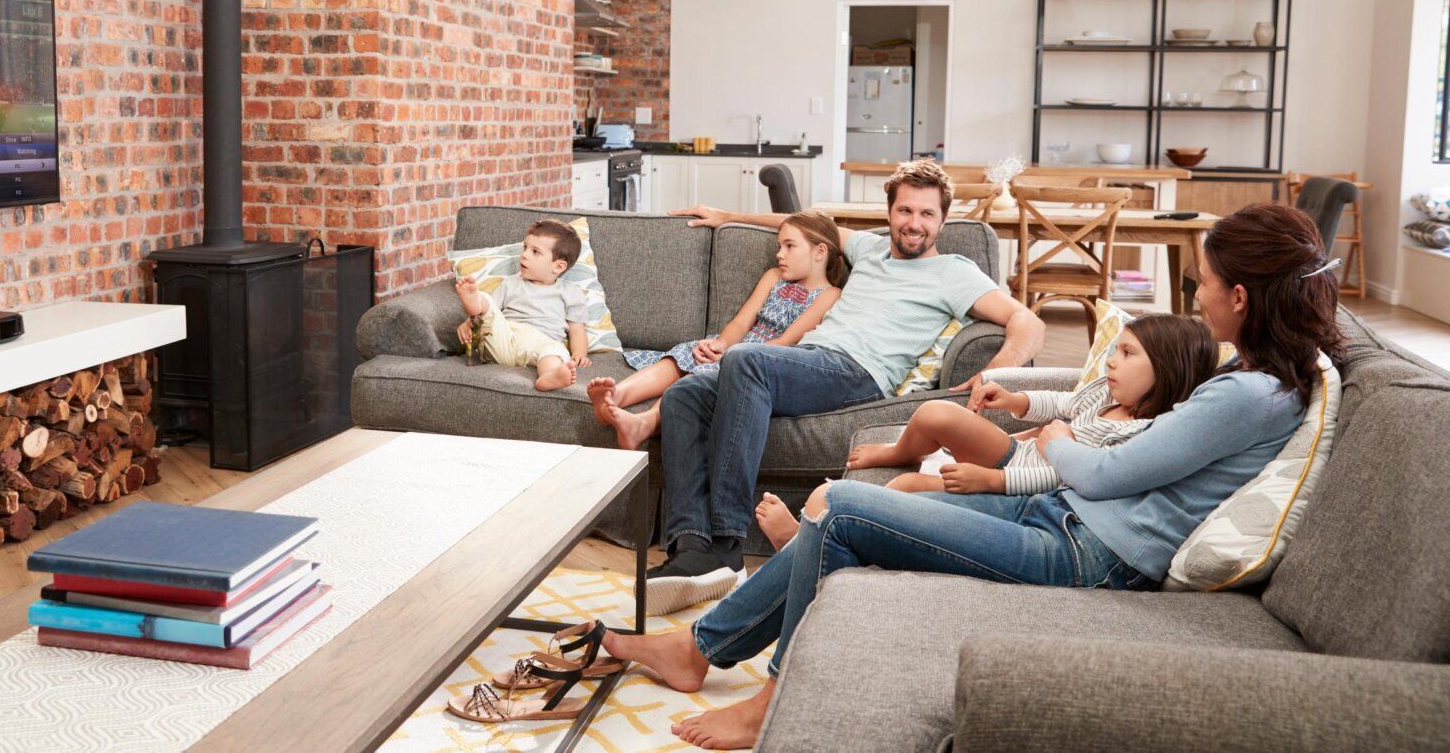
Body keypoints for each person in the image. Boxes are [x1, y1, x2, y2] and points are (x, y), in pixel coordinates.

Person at [600, 202, 1340, 750]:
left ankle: (770, 693)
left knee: (844, 512)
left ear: (1241, 297)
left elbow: (1114, 472)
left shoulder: (1249, 394)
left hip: (1087, 551)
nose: (1198, 292)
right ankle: (700, 649)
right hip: (1062, 518)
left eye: (1205, 282)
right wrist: (1053, 439)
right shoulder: (1255, 376)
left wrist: (1055, 443)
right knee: (851, 519)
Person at [646, 159, 1046, 615]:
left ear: (942, 219)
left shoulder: (956, 272)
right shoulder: (869, 248)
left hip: (857, 373)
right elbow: (802, 224)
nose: (914, 223)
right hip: (803, 363)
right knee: (683, 395)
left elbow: (1027, 321)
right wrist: (727, 215)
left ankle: (726, 544)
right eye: (905, 211)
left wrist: (995, 371)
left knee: (745, 360)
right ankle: (691, 547)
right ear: (889, 212)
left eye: (927, 214)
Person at [754, 312, 1218, 548]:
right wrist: (1017, 402)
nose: (1112, 361)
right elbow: (1063, 403)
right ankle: (901, 449)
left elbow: (1065, 479)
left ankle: (802, 542)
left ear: (1168, 370)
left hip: (1020, 488)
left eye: (1129, 355)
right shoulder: (1106, 393)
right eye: (1115, 350)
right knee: (938, 414)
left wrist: (992, 481)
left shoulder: (1139, 434)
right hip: (1014, 456)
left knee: (908, 488)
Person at [588, 210, 847, 450]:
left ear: (819, 251)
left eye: (789, 246)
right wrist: (720, 345)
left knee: (704, 373)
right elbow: (741, 323)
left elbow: (786, 342)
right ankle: (616, 397)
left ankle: (643, 423)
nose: (780, 254)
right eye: (780, 246)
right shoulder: (773, 276)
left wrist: (731, 356)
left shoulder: (830, 295)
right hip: (737, 345)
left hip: (763, 359)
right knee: (686, 353)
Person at [454, 220, 591, 392]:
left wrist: (580, 353)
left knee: (556, 352)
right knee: (486, 301)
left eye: (535, 252)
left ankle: (549, 376)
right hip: (507, 338)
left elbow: (577, 329)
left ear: (558, 267)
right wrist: (469, 322)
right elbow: (490, 315)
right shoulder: (510, 284)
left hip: (542, 342)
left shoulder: (570, 292)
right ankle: (474, 301)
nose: (524, 255)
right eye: (525, 247)